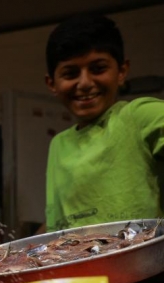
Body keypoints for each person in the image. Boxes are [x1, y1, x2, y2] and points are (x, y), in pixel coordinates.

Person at [43, 15, 164, 232]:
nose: (85, 83)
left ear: (122, 71)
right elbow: (59, 226)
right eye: (71, 73)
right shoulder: (58, 145)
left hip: (148, 264)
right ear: (52, 83)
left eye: (98, 68)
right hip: (80, 265)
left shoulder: (140, 116)